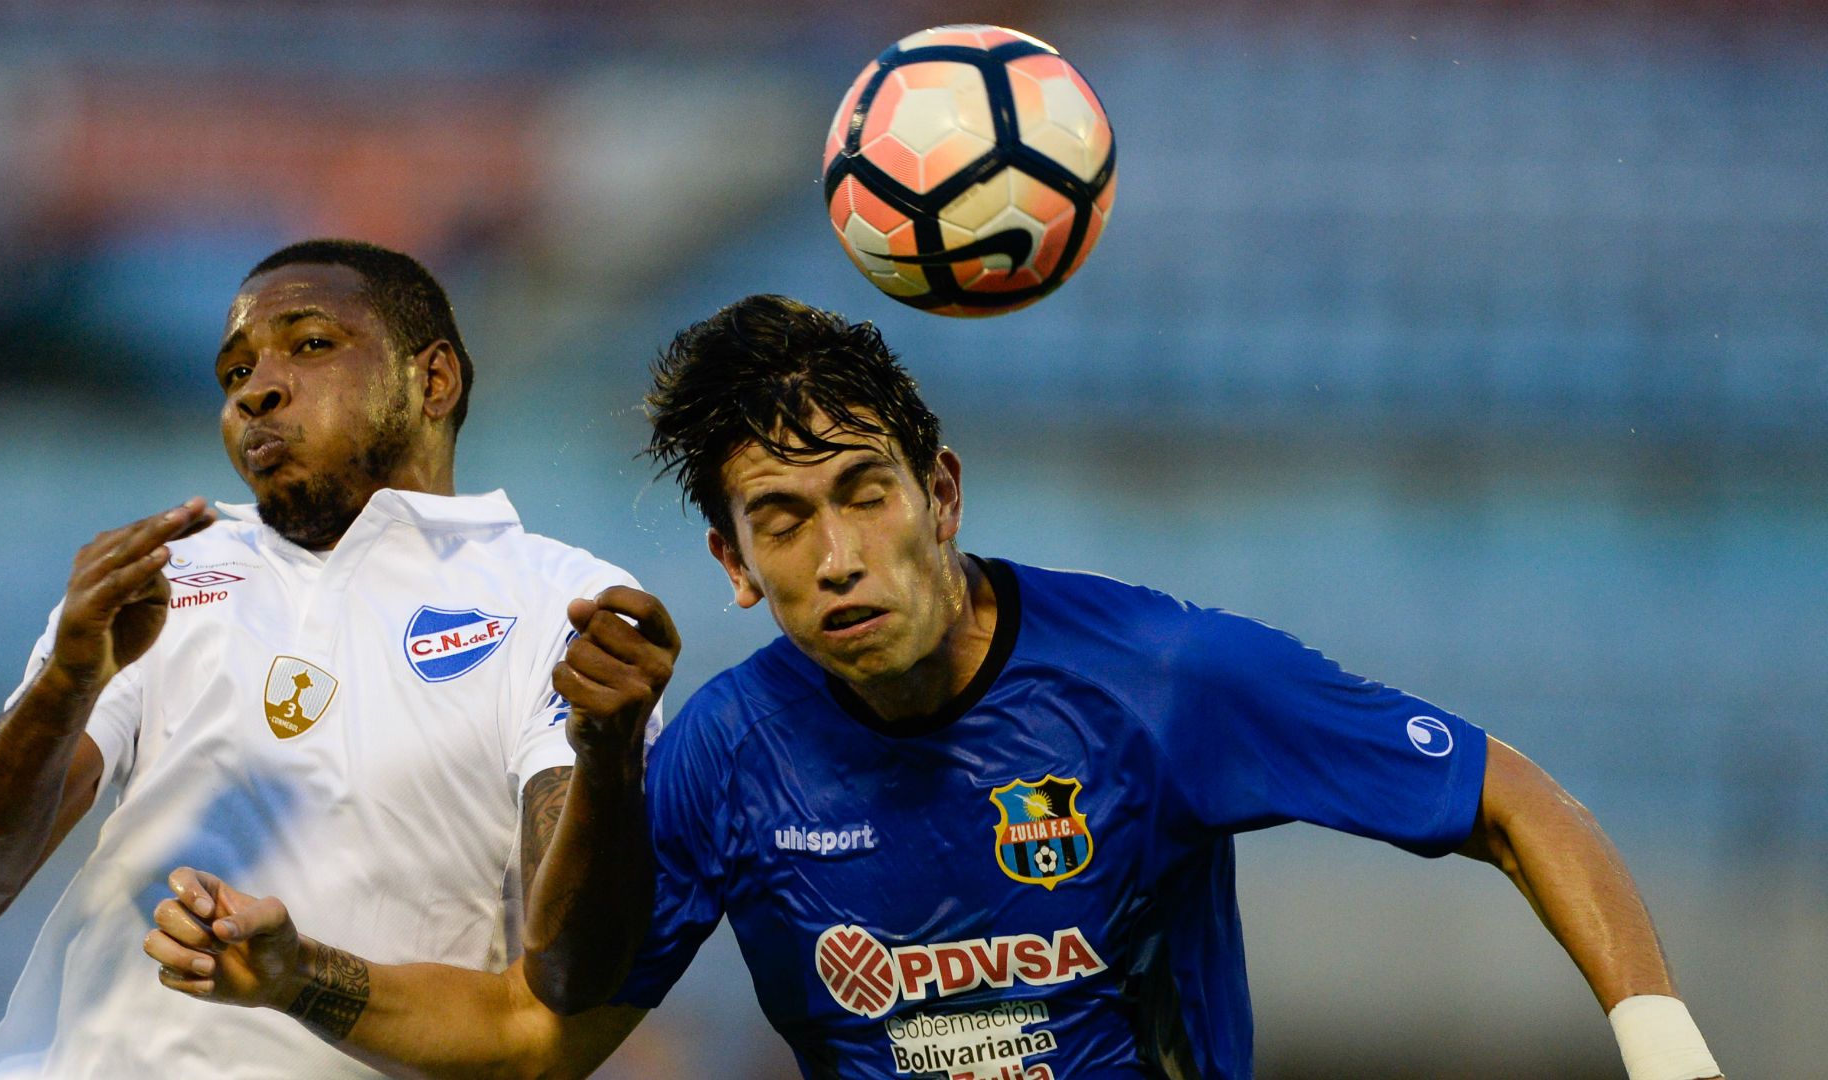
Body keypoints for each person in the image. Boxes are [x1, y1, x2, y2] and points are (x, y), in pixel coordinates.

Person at [141, 294, 1722, 1080]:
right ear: (732, 564)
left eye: (864, 492)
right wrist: (300, 976)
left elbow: (1508, 797)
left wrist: (1665, 1050)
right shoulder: (721, 757)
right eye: (783, 518)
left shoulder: (1162, 681)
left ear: (944, 493)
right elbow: (535, 1032)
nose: (838, 554)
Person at [0, 239, 675, 1078]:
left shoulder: (559, 601)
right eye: (234, 373)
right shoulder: (170, 573)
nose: (256, 390)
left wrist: (607, 763)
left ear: (434, 381)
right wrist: (64, 683)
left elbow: (570, 979)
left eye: (311, 345)